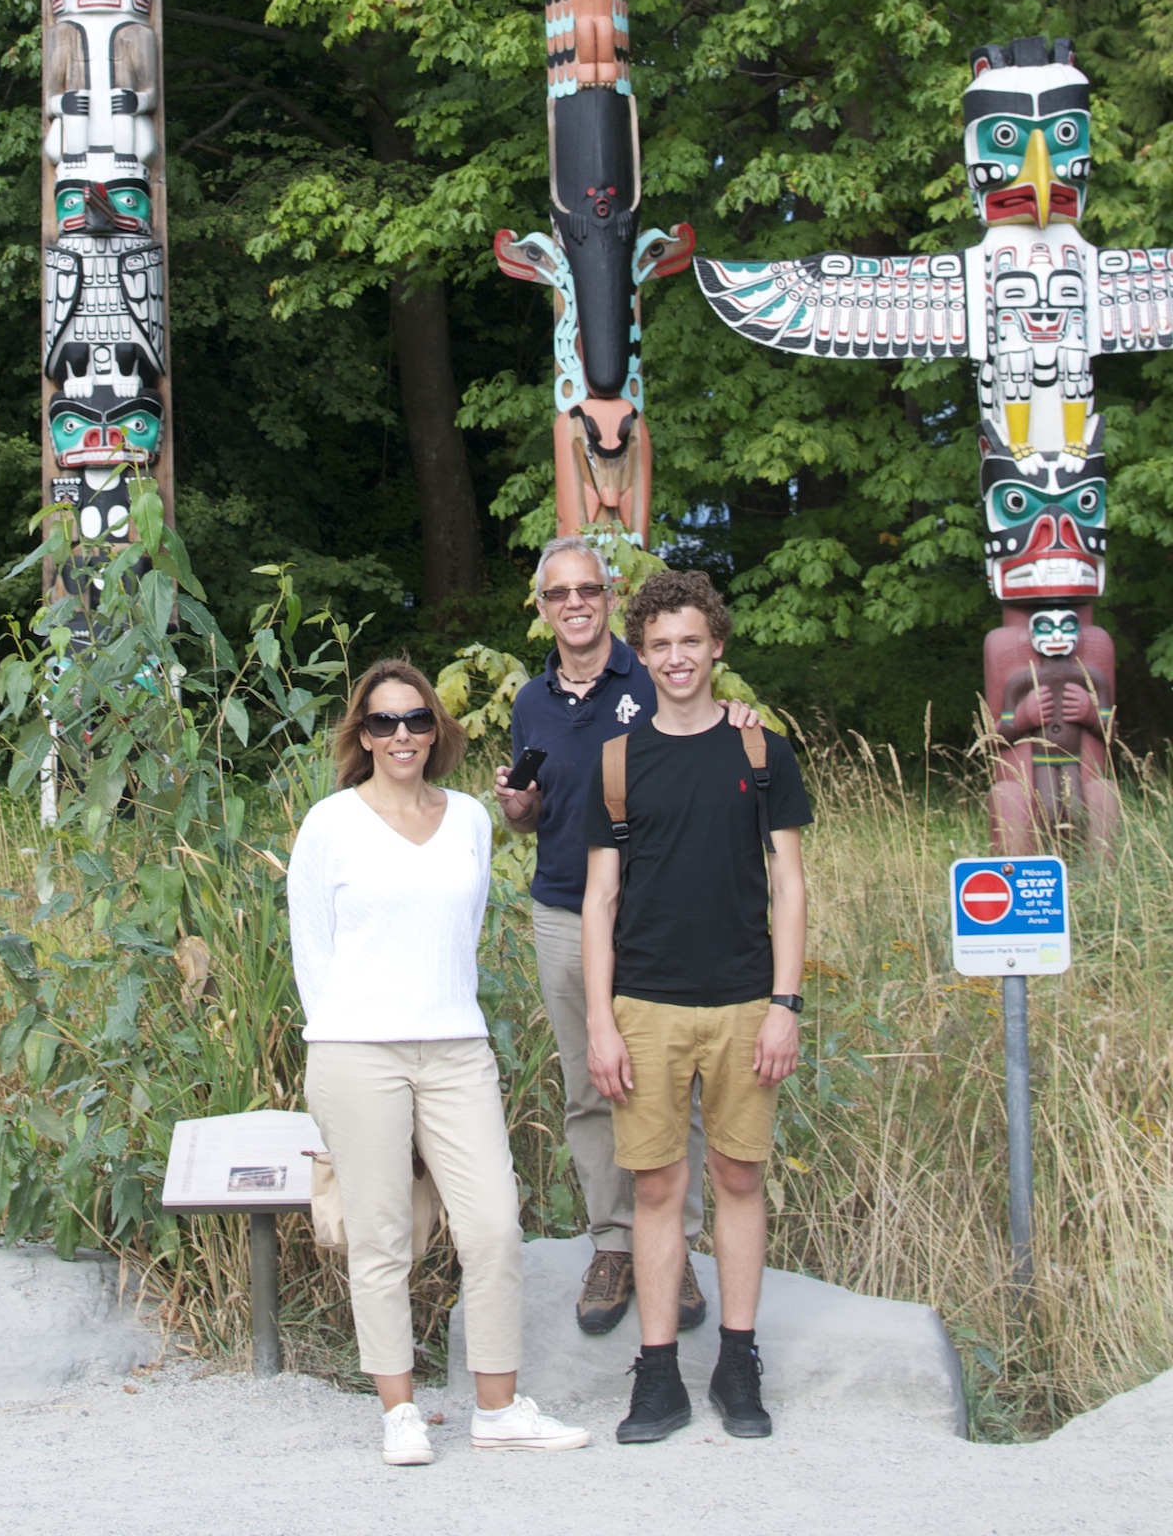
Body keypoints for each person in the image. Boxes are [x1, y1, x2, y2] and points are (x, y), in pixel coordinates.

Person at [288, 656, 590, 1467]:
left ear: (436, 729)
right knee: (381, 1235)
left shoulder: (469, 819)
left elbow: (460, 936)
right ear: (362, 733)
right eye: (383, 722)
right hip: (356, 1050)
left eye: (415, 720)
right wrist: (348, 1037)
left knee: (493, 1224)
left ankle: (497, 1405)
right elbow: (310, 954)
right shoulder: (330, 823)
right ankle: (399, 1410)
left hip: (457, 1046)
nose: (401, 736)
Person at [583, 569, 811, 1445]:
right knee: (656, 1185)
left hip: (745, 999)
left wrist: (785, 1003)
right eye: (660, 646)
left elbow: (788, 883)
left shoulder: (762, 752)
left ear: (717, 647)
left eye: (691, 642)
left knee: (739, 1175)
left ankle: (739, 1360)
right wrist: (602, 1019)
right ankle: (656, 1375)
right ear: (641, 658)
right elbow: (601, 898)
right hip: (645, 1002)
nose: (677, 659)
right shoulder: (618, 760)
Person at [495, 534, 731, 1338]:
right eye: (558, 595)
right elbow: (535, 814)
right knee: (592, 1087)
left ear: (608, 594)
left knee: (677, 1086)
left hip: (657, 912)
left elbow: (707, 732)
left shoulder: (655, 669)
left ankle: (678, 1243)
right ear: (542, 608)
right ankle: (615, 1243)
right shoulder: (530, 701)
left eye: (587, 591)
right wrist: (517, 810)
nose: (574, 606)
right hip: (566, 908)